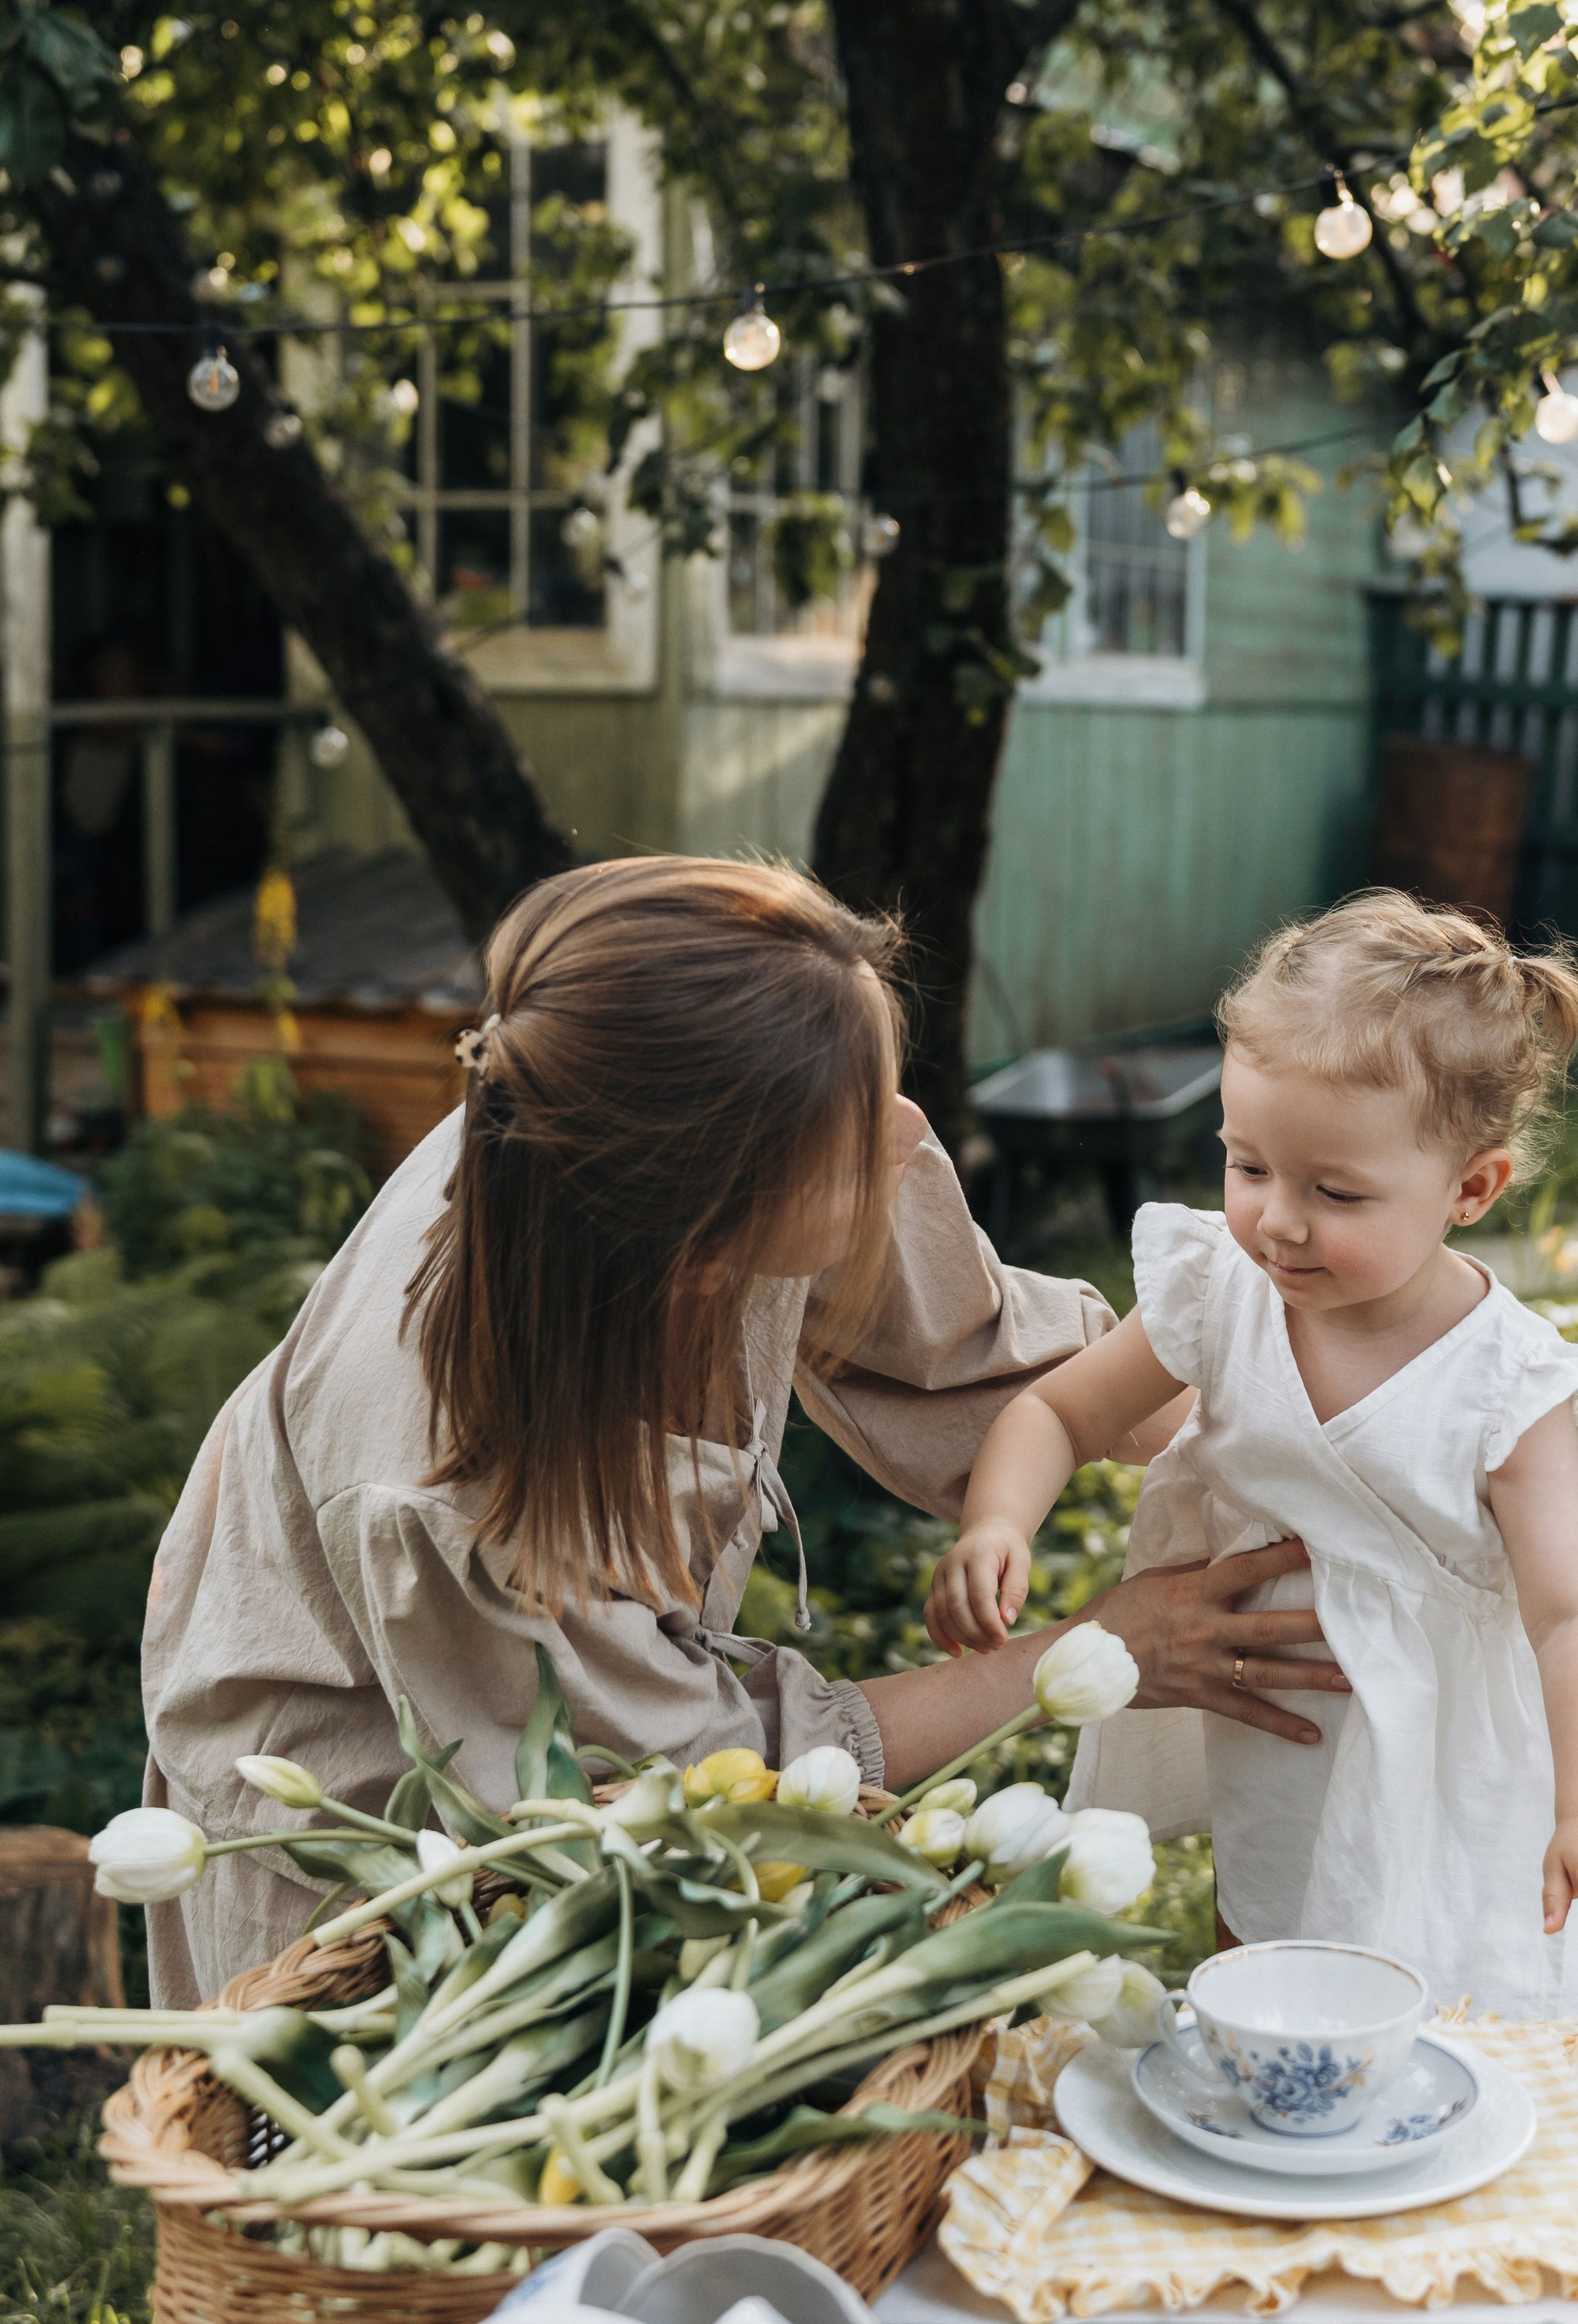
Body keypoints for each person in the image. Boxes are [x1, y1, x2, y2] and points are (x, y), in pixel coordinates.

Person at [143, 856, 1343, 2008]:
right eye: (861, 1140)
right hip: (381, 1836)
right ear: (707, 1257)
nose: (902, 1142)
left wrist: (1314, 1413)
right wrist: (1094, 1647)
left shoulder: (708, 1097)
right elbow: (682, 1774)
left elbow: (977, 1346)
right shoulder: (449, 1488)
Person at [925, 890, 1578, 2020]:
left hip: (1443, 1770)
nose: (1279, 1221)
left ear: (1471, 1189)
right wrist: (998, 1520)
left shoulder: (1502, 1386)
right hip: (1283, 1731)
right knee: (1272, 1969)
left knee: (1454, 2019)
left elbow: (1577, 1617)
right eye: (1248, 1166)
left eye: (1335, 1192)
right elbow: (1062, 1414)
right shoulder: (1222, 1292)